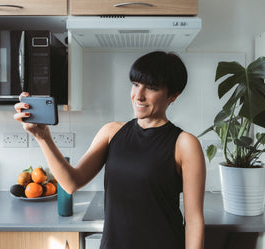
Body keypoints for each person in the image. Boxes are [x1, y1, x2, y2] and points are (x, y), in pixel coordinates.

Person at [14, 51, 206, 249]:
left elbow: (194, 221)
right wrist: (43, 137)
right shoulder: (111, 132)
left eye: (151, 88)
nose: (138, 96)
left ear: (173, 95)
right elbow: (71, 183)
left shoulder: (185, 144)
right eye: (136, 84)